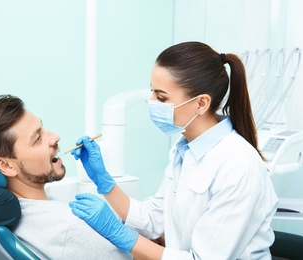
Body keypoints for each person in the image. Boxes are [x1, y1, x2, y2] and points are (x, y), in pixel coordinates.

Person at [69, 41, 279, 259]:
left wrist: (118, 233)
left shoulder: (239, 166)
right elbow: (153, 219)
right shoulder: (184, 150)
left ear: (201, 103)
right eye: (152, 92)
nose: (151, 103)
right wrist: (104, 181)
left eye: (161, 97)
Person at [0, 95, 132, 260]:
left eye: (43, 128)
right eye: (37, 138)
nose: (55, 137)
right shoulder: (68, 228)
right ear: (6, 165)